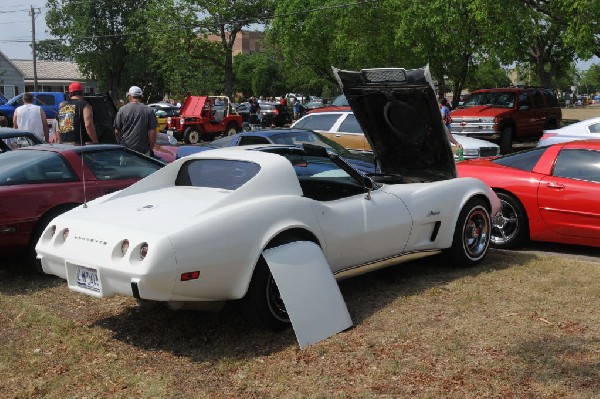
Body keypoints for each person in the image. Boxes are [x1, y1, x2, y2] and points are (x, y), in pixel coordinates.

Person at [114, 85, 157, 155]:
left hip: (126, 150)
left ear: (130, 96)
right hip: (143, 151)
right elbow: (152, 132)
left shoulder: (122, 110)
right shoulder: (149, 110)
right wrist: (151, 149)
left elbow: (117, 132)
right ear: (141, 96)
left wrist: (120, 144)